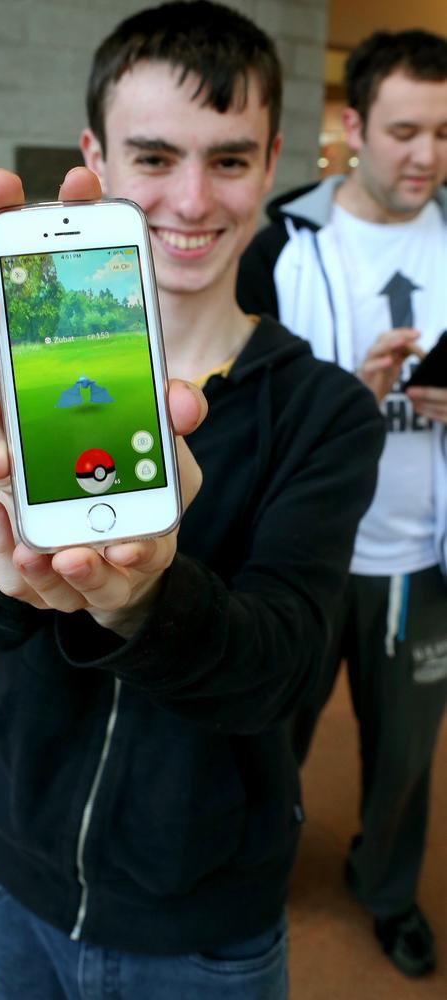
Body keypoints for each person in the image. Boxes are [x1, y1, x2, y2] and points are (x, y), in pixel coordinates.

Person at [0, 4, 384, 998]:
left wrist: (143, 602)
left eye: (227, 159)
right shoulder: (21, 368)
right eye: (153, 156)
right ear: (95, 155)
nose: (187, 199)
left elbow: (283, 667)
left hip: (201, 921)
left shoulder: (324, 413)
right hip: (12, 866)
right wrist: (0, 547)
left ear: (269, 163)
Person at [237, 28, 447, 979]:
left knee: (406, 761)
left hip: (423, 559)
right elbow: (242, 406)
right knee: (271, 740)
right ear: (354, 123)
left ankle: (388, 891)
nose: (428, 157)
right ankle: (250, 874)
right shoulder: (280, 241)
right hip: (305, 556)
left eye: (446, 135)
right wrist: (342, 407)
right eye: (407, 131)